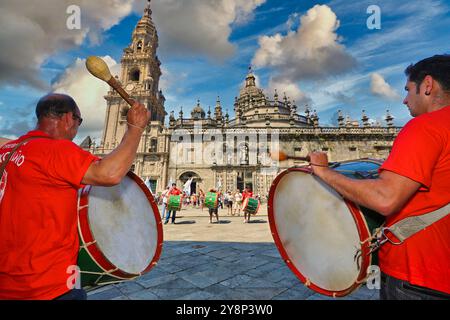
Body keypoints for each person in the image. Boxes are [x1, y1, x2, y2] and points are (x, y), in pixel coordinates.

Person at [308, 55, 450, 300]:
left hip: (418, 276)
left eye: (408, 90)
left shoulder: (425, 127)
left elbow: (385, 198)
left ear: (428, 85)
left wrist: (323, 171)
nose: (405, 99)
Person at [0, 93, 150, 300]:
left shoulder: (7, 151)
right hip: (45, 285)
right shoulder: (55, 150)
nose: (77, 128)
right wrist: (135, 129)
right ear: (69, 118)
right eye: (79, 121)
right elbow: (109, 174)